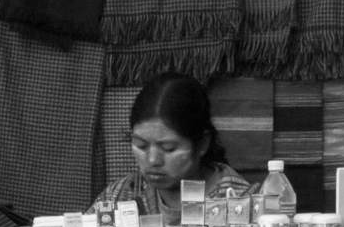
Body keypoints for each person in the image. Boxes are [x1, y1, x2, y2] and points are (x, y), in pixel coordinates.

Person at [92, 72, 249, 218]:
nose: (153, 160)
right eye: (141, 146)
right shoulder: (119, 197)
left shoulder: (241, 203)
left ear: (202, 144)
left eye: (168, 148)